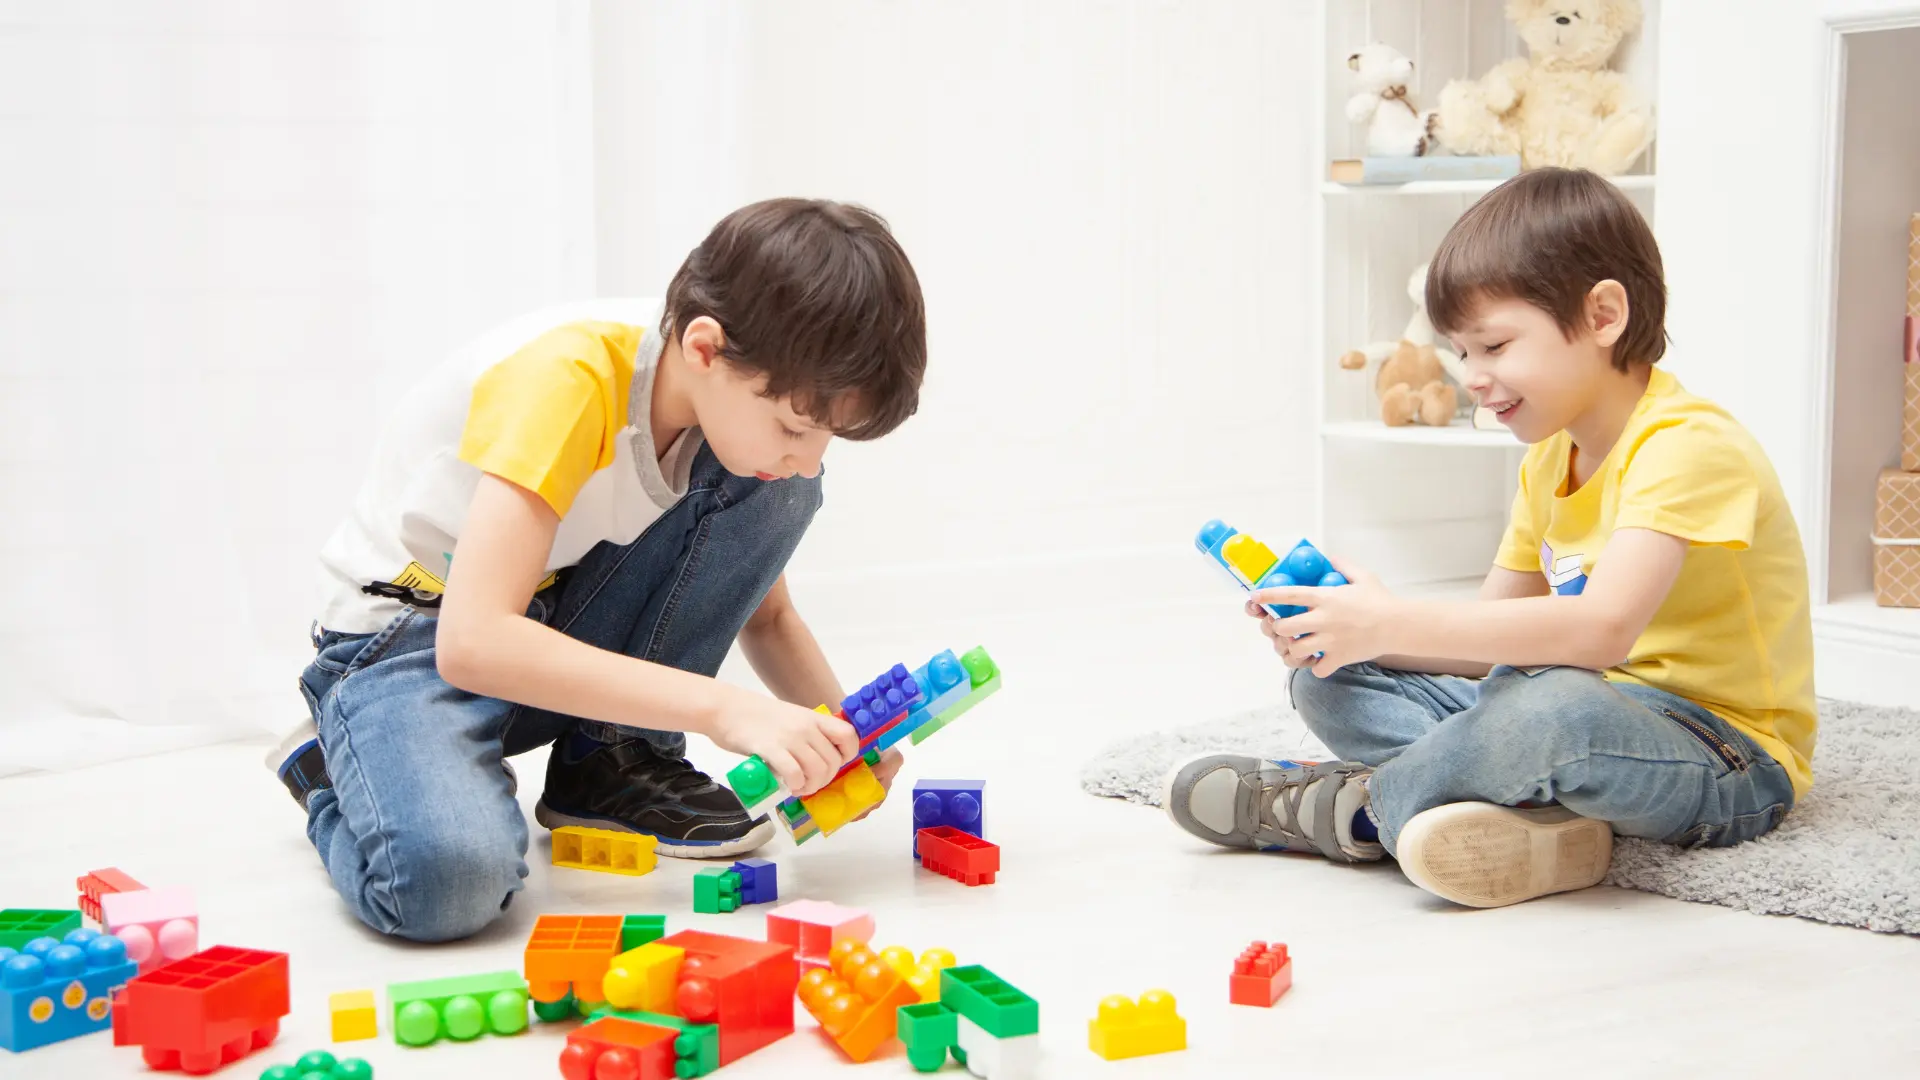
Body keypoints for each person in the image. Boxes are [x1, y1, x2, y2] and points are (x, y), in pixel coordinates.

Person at [269, 198, 927, 940]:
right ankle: (329, 774)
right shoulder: (570, 379)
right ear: (706, 349)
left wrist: (845, 735)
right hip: (410, 643)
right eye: (796, 428)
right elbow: (473, 641)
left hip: (546, 621)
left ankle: (611, 761)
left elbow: (766, 613)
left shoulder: (724, 404)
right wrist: (726, 711)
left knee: (776, 488)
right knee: (448, 885)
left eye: (826, 438)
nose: (810, 459)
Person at [1163, 168, 1813, 908]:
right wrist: (1353, 629)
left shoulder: (1689, 444)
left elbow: (1600, 631)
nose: (1471, 376)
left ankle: (1358, 811)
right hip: (1574, 712)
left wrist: (1393, 622)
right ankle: (1532, 820)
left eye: (1494, 345)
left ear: (1603, 315)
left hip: (1724, 756)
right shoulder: (1548, 459)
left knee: (1552, 711)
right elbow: (1485, 649)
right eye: (1461, 353)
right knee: (1330, 680)